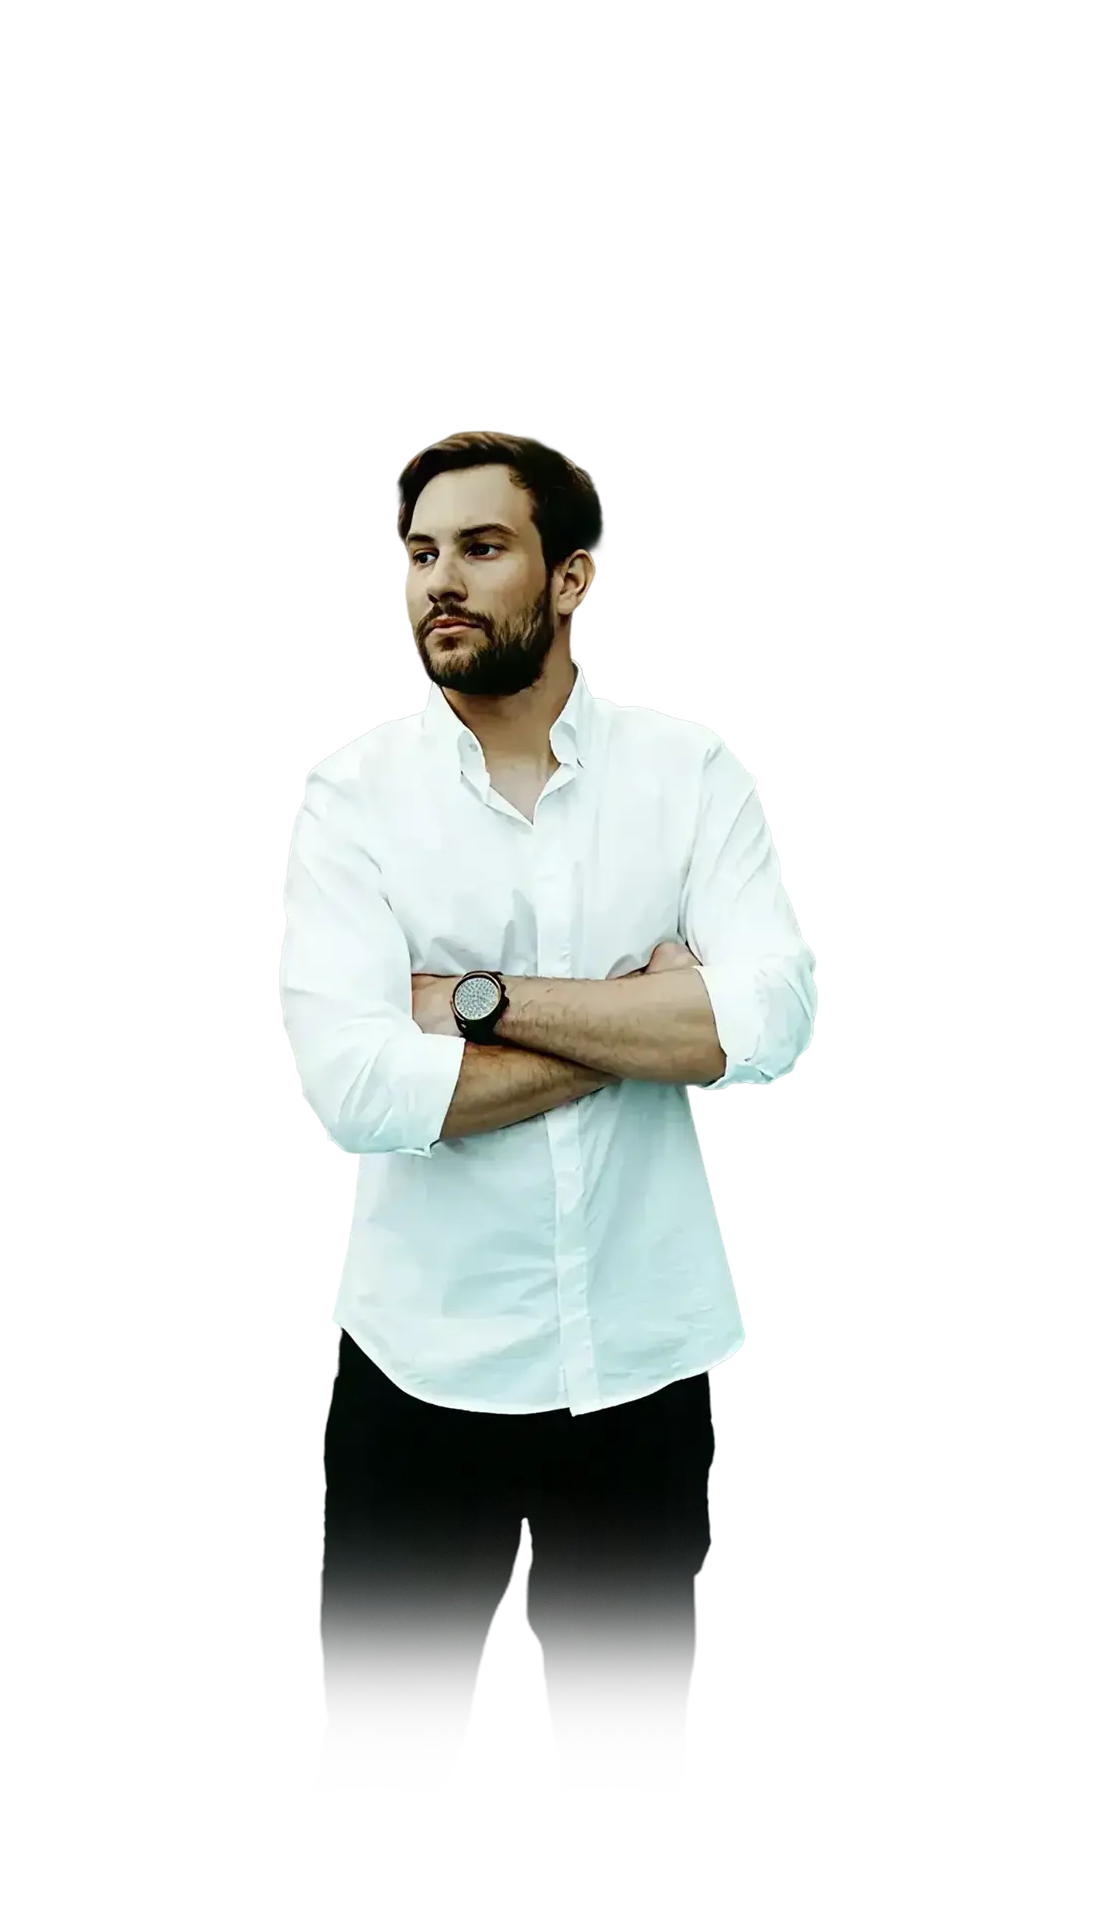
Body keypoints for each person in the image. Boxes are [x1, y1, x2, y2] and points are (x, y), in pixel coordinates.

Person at [279, 428, 820, 1747]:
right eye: (420, 555)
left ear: (572, 576)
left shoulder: (690, 773)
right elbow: (355, 1089)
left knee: (629, 1718)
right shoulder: (351, 795)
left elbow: (773, 1024)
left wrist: (476, 1005)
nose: (439, 582)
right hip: (420, 1368)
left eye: (481, 547)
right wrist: (643, 1018)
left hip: (644, 1357)